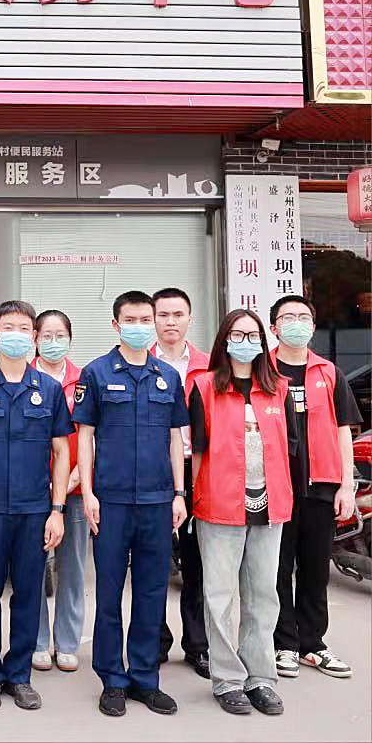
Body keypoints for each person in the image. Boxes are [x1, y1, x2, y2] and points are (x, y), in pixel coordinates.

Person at [74, 291, 189, 718]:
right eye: (131, 320)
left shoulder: (167, 377)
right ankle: (112, 679)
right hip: (111, 501)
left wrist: (179, 493)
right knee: (108, 593)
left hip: (158, 502)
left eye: (146, 320)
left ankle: (144, 678)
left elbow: (176, 438)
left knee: (152, 592)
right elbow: (85, 437)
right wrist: (88, 493)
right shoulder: (97, 373)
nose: (139, 326)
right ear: (115, 325)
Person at [0, 301, 71, 711]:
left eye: (24, 329)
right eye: (9, 328)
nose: (17, 335)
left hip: (33, 511)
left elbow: (62, 452)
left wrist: (57, 510)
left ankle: (19, 675)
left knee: (28, 595)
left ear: (34, 336)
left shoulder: (49, 390)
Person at [190, 309, 297, 716]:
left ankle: (260, 678)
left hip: (270, 506)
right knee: (220, 597)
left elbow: (290, 448)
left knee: (264, 595)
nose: (245, 342)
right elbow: (197, 450)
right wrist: (192, 500)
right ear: (224, 340)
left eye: (253, 335)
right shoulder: (204, 388)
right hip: (218, 505)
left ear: (263, 343)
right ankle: (227, 679)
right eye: (237, 334)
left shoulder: (278, 389)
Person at [269, 295, 361, 680]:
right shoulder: (262, 371)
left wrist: (346, 485)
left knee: (315, 569)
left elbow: (343, 430)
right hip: (274, 486)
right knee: (276, 569)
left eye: (303, 316)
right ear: (274, 327)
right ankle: (283, 644)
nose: (296, 323)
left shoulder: (328, 372)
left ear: (312, 324)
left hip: (321, 486)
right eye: (288, 317)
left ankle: (313, 644)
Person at [151, 287, 211, 678]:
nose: (170, 321)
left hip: (200, 469)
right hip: (153, 471)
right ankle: (155, 641)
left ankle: (198, 645)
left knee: (197, 562)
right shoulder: (140, 362)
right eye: (163, 314)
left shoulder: (209, 366)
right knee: (154, 560)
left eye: (178, 314)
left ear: (190, 318)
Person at [32, 309, 87, 673]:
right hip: (33, 490)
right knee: (33, 567)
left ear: (70, 338)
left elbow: (95, 435)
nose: (53, 342)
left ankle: (67, 641)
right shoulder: (22, 377)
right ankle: (37, 641)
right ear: (35, 339)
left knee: (73, 567)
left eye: (60, 336)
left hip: (77, 489)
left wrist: (71, 480)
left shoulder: (85, 381)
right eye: (46, 336)